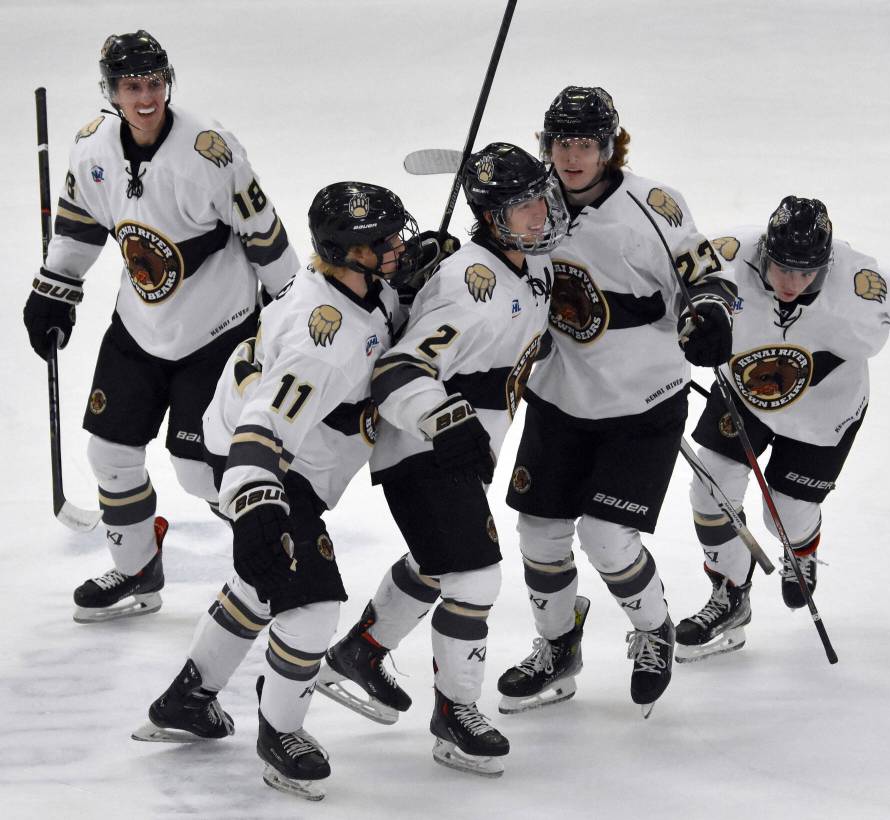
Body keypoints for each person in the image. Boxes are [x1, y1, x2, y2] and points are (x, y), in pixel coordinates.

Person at [132, 182, 424, 801]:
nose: (396, 247)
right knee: (312, 605)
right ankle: (280, 732)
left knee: (262, 585)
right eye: (383, 242)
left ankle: (188, 697)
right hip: (262, 468)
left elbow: (382, 311)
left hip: (253, 455)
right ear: (347, 252)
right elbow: (263, 423)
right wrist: (259, 504)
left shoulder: (349, 288)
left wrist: (414, 274)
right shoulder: (325, 341)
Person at [21, 30, 297, 623]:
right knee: (109, 454)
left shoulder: (211, 150)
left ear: (167, 84)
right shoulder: (92, 148)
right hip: (138, 328)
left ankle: (281, 559)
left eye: (153, 85)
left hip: (217, 332)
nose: (144, 99)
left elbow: (267, 238)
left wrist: (290, 317)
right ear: (112, 92)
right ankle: (139, 568)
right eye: (130, 87)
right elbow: (79, 225)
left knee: (202, 473)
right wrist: (53, 290)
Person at [315, 142, 568, 778]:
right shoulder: (469, 285)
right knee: (475, 577)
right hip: (423, 449)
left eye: (541, 198)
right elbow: (398, 370)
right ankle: (455, 713)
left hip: (458, 446)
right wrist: (445, 423)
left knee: (437, 562)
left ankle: (362, 651)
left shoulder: (529, 264)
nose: (540, 214)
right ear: (490, 216)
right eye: (522, 207)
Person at [494, 86, 735, 719]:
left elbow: (706, 276)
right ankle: (557, 648)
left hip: (642, 402)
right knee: (540, 532)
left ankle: (652, 631)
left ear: (609, 147)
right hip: (559, 395)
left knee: (606, 535)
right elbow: (490, 249)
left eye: (586, 145)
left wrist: (709, 312)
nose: (572, 157)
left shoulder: (653, 206)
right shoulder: (531, 199)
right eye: (561, 144)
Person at [674, 196, 890, 661]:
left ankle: (800, 549)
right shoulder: (728, 252)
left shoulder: (862, 288)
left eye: (805, 273)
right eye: (783, 268)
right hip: (745, 394)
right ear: (765, 250)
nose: (791, 283)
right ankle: (729, 593)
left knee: (782, 514)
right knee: (710, 491)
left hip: (825, 414)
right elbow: (670, 285)